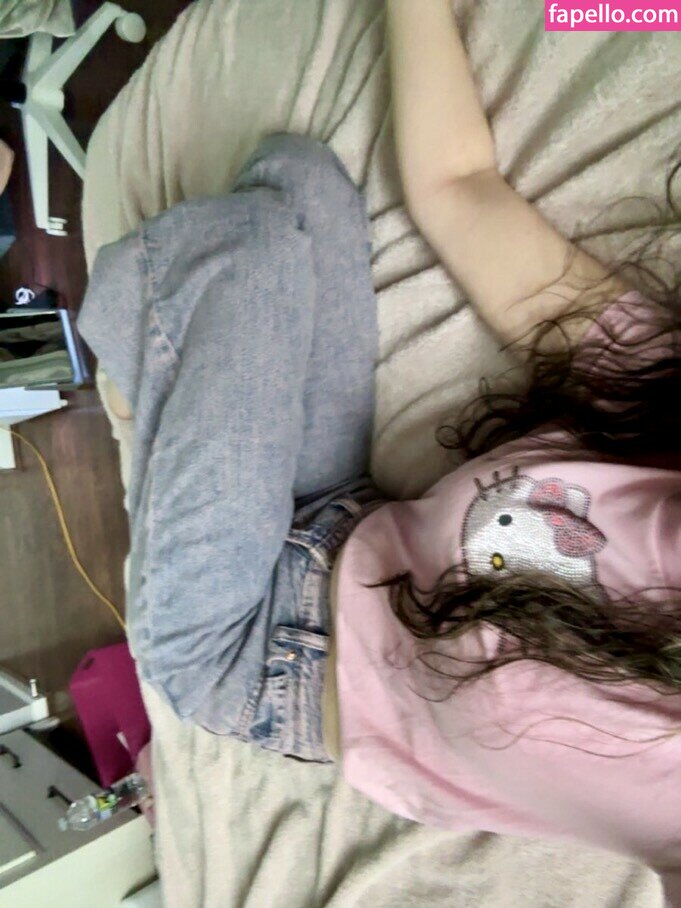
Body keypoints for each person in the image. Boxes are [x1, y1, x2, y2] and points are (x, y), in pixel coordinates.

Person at [79, 0, 680, 900]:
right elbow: (458, 187)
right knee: (299, 175)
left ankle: (132, 371)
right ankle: (163, 384)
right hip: (345, 522)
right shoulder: (655, 394)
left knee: (241, 253)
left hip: (248, 658)